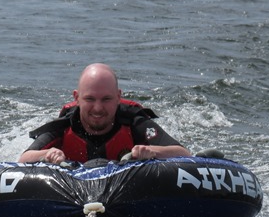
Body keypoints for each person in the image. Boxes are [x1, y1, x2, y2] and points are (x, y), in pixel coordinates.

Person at [18, 63, 191, 165]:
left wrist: (151, 151)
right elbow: (24, 159)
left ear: (118, 97)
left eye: (106, 99)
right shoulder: (63, 127)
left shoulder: (134, 122)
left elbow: (183, 153)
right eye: (90, 99)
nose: (98, 108)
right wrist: (47, 154)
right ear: (77, 98)